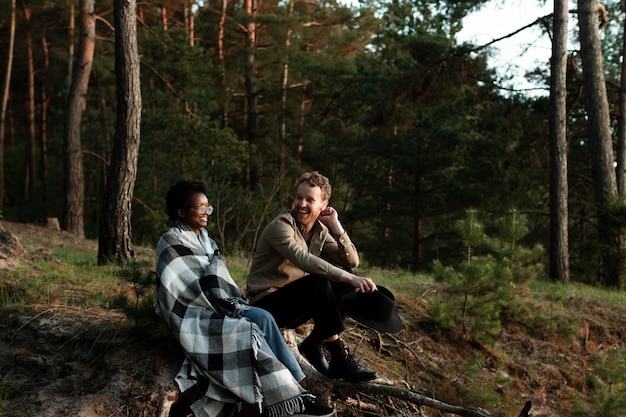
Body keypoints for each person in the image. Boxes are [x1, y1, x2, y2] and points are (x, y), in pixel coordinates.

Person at [155, 180, 334, 417]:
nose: (207, 212)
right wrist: (213, 297)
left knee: (263, 317)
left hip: (223, 303)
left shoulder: (207, 240)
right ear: (181, 211)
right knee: (248, 332)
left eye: (209, 207)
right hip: (194, 312)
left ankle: (295, 386)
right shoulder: (171, 241)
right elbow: (177, 289)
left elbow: (217, 276)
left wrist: (223, 296)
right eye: (201, 208)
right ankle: (289, 398)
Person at [246, 171, 378, 383]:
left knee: (345, 285)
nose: (302, 204)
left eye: (310, 199)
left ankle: (314, 343)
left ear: (323, 204)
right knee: (321, 280)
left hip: (294, 303)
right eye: (299, 197)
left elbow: (352, 261)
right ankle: (338, 357)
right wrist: (346, 276)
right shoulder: (281, 226)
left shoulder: (319, 231)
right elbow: (302, 259)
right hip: (265, 304)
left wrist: (336, 226)